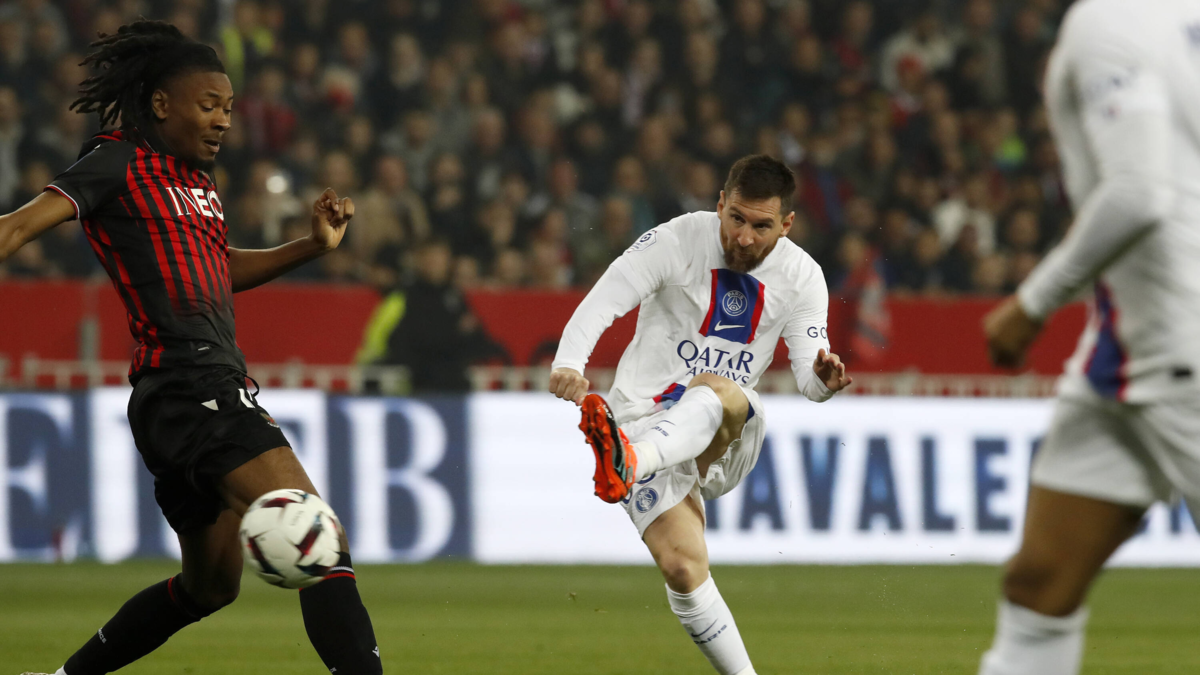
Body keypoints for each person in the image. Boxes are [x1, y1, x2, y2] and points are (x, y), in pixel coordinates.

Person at [0, 21, 382, 675]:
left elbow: (216, 267)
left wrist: (312, 247)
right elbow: (14, 228)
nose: (223, 120)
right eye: (209, 105)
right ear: (160, 103)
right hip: (193, 383)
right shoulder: (116, 162)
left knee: (210, 586)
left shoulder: (198, 183)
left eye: (228, 108)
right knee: (317, 535)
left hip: (173, 400)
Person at [549, 154, 853, 675]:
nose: (744, 237)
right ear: (720, 204)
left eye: (761, 226)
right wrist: (568, 364)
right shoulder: (676, 240)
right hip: (641, 420)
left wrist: (824, 381)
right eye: (736, 219)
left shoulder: (803, 277)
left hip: (723, 435)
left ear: (786, 224)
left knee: (714, 389)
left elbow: (809, 379)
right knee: (683, 568)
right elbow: (605, 299)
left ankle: (628, 461)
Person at [980, 1, 1200, 673]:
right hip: (1126, 358)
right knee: (1040, 585)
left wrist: (1031, 304)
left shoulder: (1111, 20)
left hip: (1180, 347)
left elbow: (1139, 191)